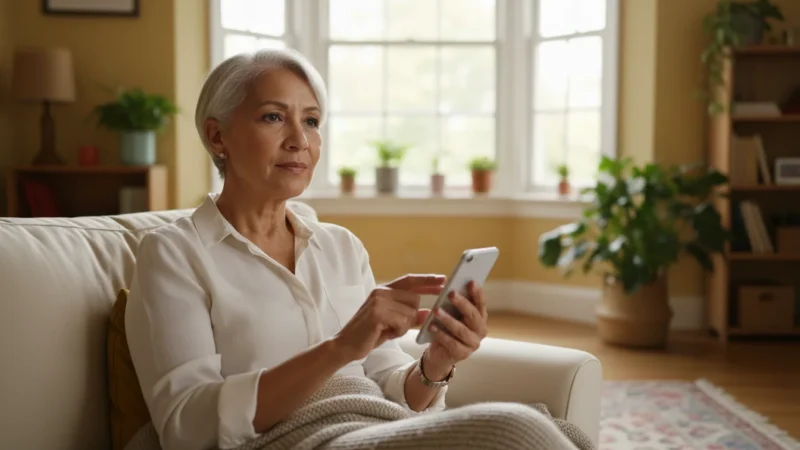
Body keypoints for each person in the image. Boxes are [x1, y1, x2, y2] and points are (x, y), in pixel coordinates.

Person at [126, 48, 582, 450]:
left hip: (372, 426)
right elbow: (185, 427)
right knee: (514, 431)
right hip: (291, 441)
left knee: (561, 432)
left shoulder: (340, 247)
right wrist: (340, 348)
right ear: (217, 136)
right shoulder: (172, 255)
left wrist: (438, 362)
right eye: (273, 116)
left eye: (311, 121)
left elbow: (392, 387)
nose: (299, 141)